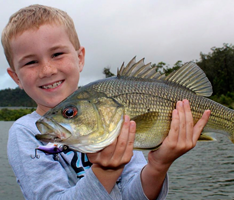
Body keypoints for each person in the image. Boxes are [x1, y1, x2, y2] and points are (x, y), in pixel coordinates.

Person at [2, 4, 211, 200]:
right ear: (16, 77)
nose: (48, 70)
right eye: (31, 62)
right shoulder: (26, 134)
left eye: (57, 54)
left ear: (80, 58)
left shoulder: (112, 117)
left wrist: (158, 165)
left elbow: (134, 195)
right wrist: (105, 171)